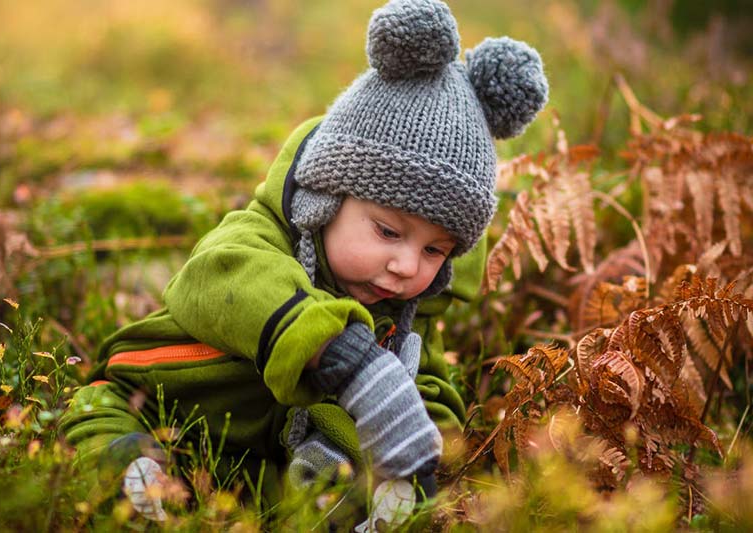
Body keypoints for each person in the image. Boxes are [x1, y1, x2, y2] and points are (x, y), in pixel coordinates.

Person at [59, 0, 548, 526]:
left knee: (346, 471)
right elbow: (217, 276)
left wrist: (418, 450)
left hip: (254, 460)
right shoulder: (259, 238)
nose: (408, 265)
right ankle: (131, 470)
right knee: (100, 416)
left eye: (435, 250)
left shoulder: (408, 310)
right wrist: (342, 353)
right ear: (326, 198)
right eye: (387, 231)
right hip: (160, 401)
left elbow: (426, 382)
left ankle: (321, 489)